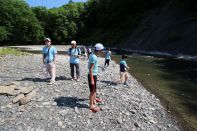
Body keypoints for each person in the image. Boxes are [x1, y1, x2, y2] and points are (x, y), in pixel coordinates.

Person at [88, 43, 104, 112]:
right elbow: (90, 69)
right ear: (99, 50)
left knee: (94, 90)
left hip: (94, 75)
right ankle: (91, 105)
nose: (102, 51)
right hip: (92, 75)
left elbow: (94, 66)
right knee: (92, 91)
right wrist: (92, 79)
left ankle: (94, 99)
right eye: (101, 50)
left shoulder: (92, 54)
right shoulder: (94, 57)